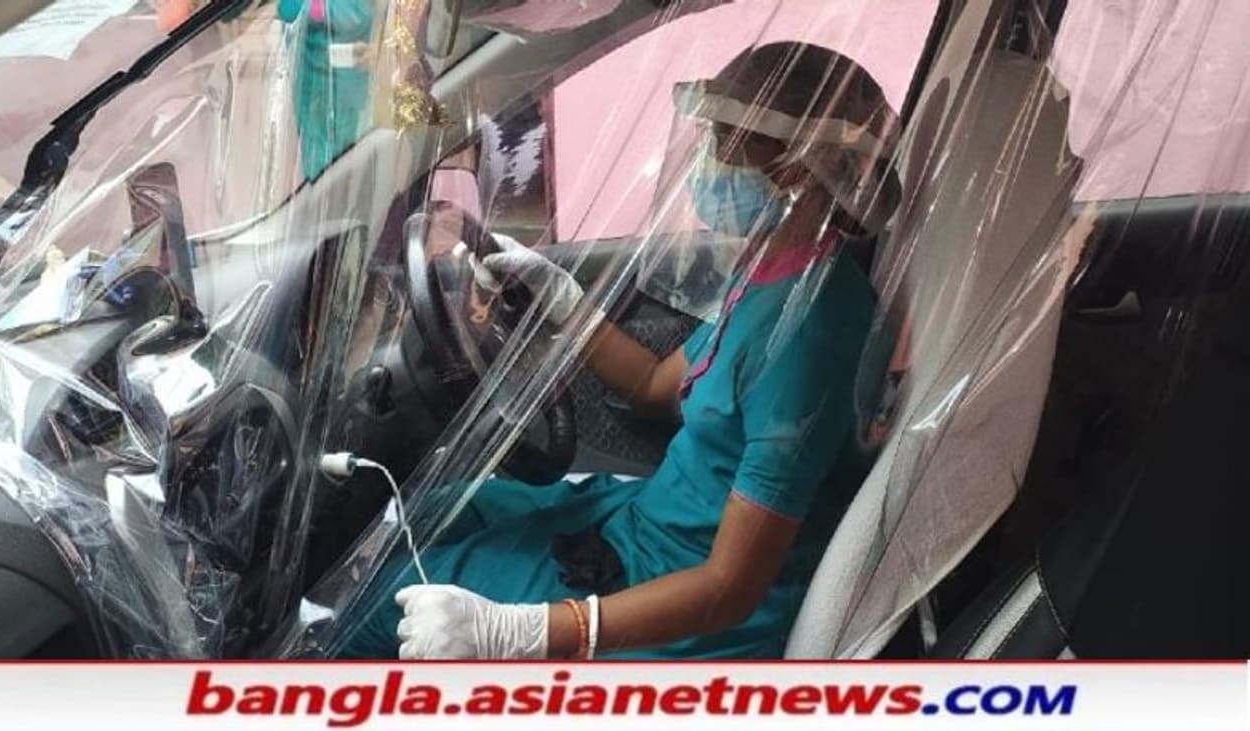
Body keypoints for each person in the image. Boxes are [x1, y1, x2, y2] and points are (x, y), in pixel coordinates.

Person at [340, 41, 902, 660]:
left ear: (795, 168)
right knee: (422, 514)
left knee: (368, 609)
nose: (707, 160)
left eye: (726, 139)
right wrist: (562, 301)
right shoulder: (775, 272)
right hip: (645, 516)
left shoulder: (809, 335)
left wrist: (526, 631)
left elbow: (730, 589)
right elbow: (656, 387)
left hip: (673, 586)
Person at [277, 0, 375, 179]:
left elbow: (358, 17)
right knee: (318, 159)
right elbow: (287, 11)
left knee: (347, 161)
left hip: (344, 83)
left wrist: (318, 10)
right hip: (310, 82)